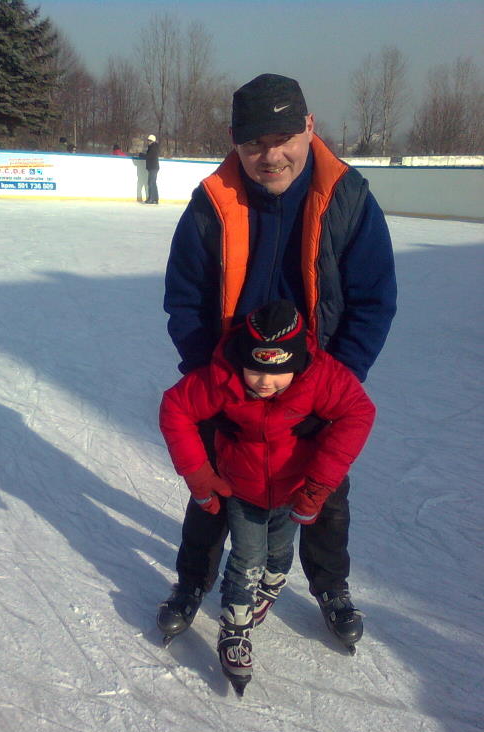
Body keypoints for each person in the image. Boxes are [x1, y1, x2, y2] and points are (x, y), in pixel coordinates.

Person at [158, 73, 397, 648]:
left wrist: (331, 385)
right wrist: (211, 378)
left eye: (284, 137)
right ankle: (192, 583)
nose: (271, 155)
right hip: (230, 378)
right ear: (235, 141)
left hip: (316, 381)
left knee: (324, 495)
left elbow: (374, 300)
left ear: (309, 128)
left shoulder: (348, 199)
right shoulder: (211, 202)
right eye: (254, 142)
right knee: (214, 495)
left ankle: (330, 588)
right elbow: (185, 299)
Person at [160, 299, 375, 691]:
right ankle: (235, 627)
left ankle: (275, 581)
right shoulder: (222, 378)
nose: (264, 383)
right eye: (255, 370)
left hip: (293, 493)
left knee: (278, 552)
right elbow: (176, 406)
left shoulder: (319, 377)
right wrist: (199, 474)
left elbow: (358, 412)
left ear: (298, 363)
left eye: (278, 373)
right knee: (247, 560)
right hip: (241, 490)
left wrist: (319, 486)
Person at [143, 134, 159, 204]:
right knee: (153, 183)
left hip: (153, 167)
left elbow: (148, 156)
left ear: (152, 141)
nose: (148, 142)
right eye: (148, 140)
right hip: (153, 167)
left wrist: (141, 155)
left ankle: (151, 199)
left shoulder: (153, 147)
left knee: (151, 183)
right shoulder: (153, 147)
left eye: (149, 140)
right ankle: (155, 198)